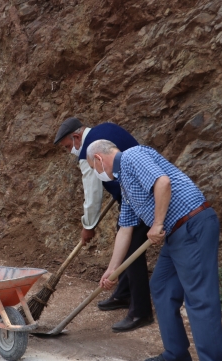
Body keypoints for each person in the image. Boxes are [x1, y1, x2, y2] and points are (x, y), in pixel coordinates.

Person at [86, 139, 222, 361]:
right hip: (175, 233)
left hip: (192, 223)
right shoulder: (126, 184)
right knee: (161, 287)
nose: (99, 175)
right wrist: (112, 269)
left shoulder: (132, 156)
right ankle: (176, 354)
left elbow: (163, 182)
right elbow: (126, 229)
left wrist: (157, 224)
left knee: (199, 297)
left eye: (94, 168)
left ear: (98, 159)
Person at [54, 117, 153, 332]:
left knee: (132, 251)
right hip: (134, 196)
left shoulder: (89, 151)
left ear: (77, 137)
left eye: (68, 146)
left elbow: (93, 193)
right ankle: (124, 294)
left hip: (142, 199)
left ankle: (141, 312)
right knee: (124, 237)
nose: (70, 151)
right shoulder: (106, 128)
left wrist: (88, 226)